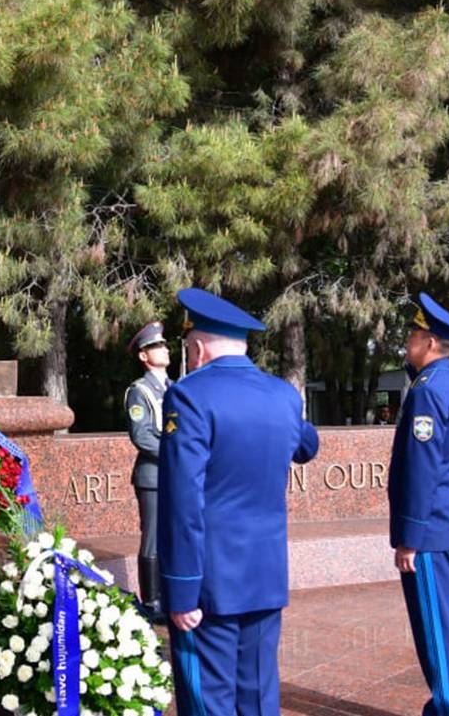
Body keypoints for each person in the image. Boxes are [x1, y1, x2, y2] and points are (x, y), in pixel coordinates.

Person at [158, 288, 320, 716]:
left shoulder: (188, 396)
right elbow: (308, 447)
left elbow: (182, 502)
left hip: (209, 581)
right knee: (259, 697)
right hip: (265, 576)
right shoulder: (284, 396)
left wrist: (180, 590)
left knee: (208, 700)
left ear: (197, 347)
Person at [389, 292, 449, 716]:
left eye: (413, 336)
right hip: (446, 523)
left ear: (428, 343)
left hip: (428, 530)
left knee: (436, 628)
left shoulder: (426, 393)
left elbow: (420, 469)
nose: (407, 343)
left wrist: (409, 538)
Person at [122, 320, 170, 620]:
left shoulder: (175, 388)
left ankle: (171, 594)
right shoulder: (139, 391)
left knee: (173, 537)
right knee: (153, 538)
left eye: (164, 345)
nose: (164, 349)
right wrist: (178, 456)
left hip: (174, 476)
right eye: (157, 346)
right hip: (153, 476)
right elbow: (142, 435)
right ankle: (152, 602)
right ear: (143, 355)